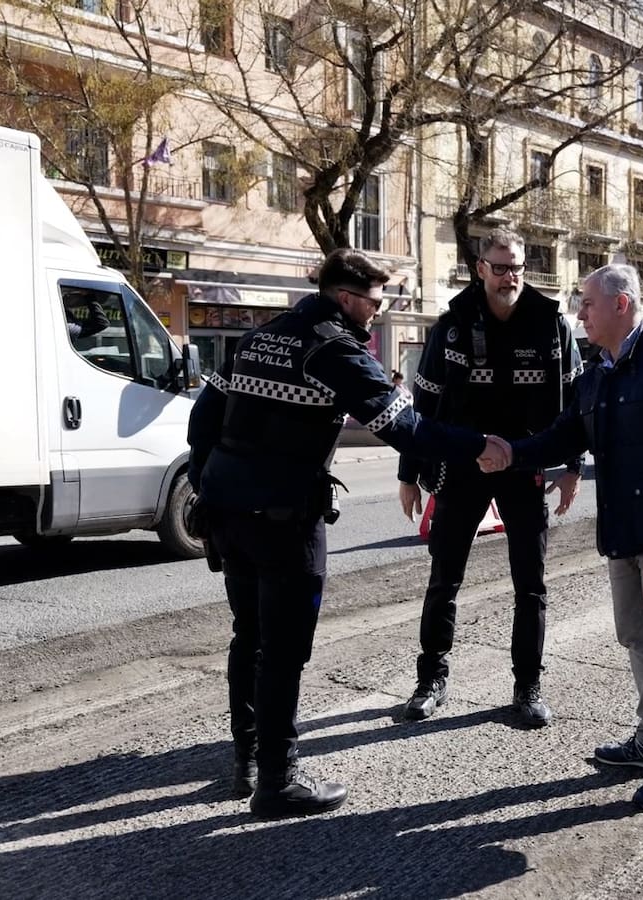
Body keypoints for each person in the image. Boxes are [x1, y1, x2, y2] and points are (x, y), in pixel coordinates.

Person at [187, 249, 490, 819]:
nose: (376, 315)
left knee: (247, 633)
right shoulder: (334, 347)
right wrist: (480, 446)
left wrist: (216, 484)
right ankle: (278, 781)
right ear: (347, 298)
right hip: (283, 519)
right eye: (374, 304)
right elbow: (404, 425)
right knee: (282, 646)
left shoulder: (260, 336)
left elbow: (203, 420)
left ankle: (247, 760)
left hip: (227, 512)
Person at [479, 263, 643, 811]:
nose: (580, 313)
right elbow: (565, 435)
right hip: (622, 531)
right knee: (635, 638)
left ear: (621, 304)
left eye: (587, 304)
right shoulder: (595, 374)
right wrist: (511, 452)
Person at [397, 228, 584, 728]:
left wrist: (571, 466)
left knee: (532, 584)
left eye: (518, 266)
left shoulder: (550, 325)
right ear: (480, 268)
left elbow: (574, 405)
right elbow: (423, 406)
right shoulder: (453, 326)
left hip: (525, 467)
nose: (510, 277)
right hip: (463, 467)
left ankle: (527, 687)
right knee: (444, 579)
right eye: (500, 267)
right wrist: (410, 474)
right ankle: (430, 679)